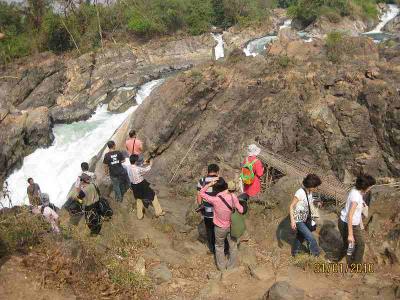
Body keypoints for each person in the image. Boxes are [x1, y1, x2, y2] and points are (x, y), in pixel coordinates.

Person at [199, 177, 244, 271]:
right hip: (231, 226)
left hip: (219, 228)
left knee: (219, 246)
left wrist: (209, 184)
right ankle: (231, 267)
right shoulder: (234, 197)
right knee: (233, 246)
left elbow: (201, 193)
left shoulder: (216, 199)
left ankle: (221, 268)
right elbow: (241, 210)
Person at [338, 174, 376, 264]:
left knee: (351, 244)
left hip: (350, 222)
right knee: (360, 244)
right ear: (365, 186)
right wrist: (350, 234)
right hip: (349, 223)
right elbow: (350, 215)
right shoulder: (356, 197)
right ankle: (355, 265)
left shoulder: (355, 190)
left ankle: (348, 261)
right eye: (370, 186)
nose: (370, 188)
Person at [123, 155, 165, 220]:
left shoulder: (128, 167)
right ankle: (158, 212)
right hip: (141, 185)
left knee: (139, 199)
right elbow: (145, 170)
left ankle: (139, 216)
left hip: (134, 186)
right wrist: (150, 164)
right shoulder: (138, 169)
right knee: (153, 196)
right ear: (136, 161)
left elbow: (137, 167)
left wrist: (143, 164)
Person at [289, 174, 322, 257]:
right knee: (310, 237)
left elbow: (309, 202)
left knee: (300, 236)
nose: (316, 188)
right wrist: (293, 221)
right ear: (310, 185)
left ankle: (294, 252)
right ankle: (315, 255)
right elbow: (291, 206)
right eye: (315, 186)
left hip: (305, 218)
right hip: (298, 220)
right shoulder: (300, 192)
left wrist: (317, 203)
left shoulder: (310, 192)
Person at [196, 164, 220, 254]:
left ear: (208, 171)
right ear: (217, 172)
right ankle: (219, 248)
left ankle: (212, 249)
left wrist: (200, 205)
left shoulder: (202, 181)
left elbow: (199, 195)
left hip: (207, 210)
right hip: (218, 211)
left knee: (209, 229)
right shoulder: (220, 181)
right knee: (218, 229)